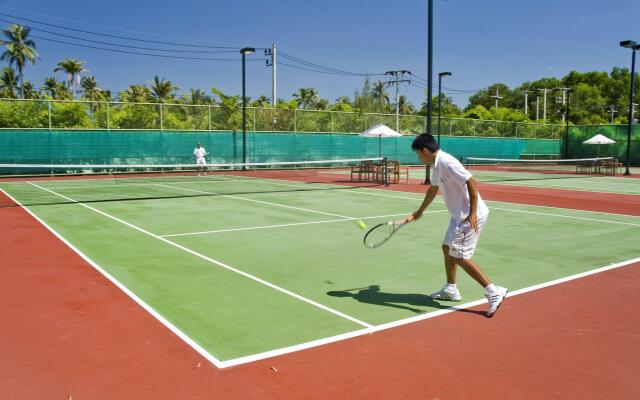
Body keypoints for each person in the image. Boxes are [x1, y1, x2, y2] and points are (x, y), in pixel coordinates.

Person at [403, 133, 507, 317]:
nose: (419, 158)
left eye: (419, 154)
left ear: (425, 150)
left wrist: (472, 213)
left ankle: (493, 291)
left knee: (459, 255)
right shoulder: (436, 166)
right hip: (457, 216)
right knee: (447, 247)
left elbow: (471, 181)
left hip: (468, 216)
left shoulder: (446, 162)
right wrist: (419, 212)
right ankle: (451, 289)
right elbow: (433, 189)